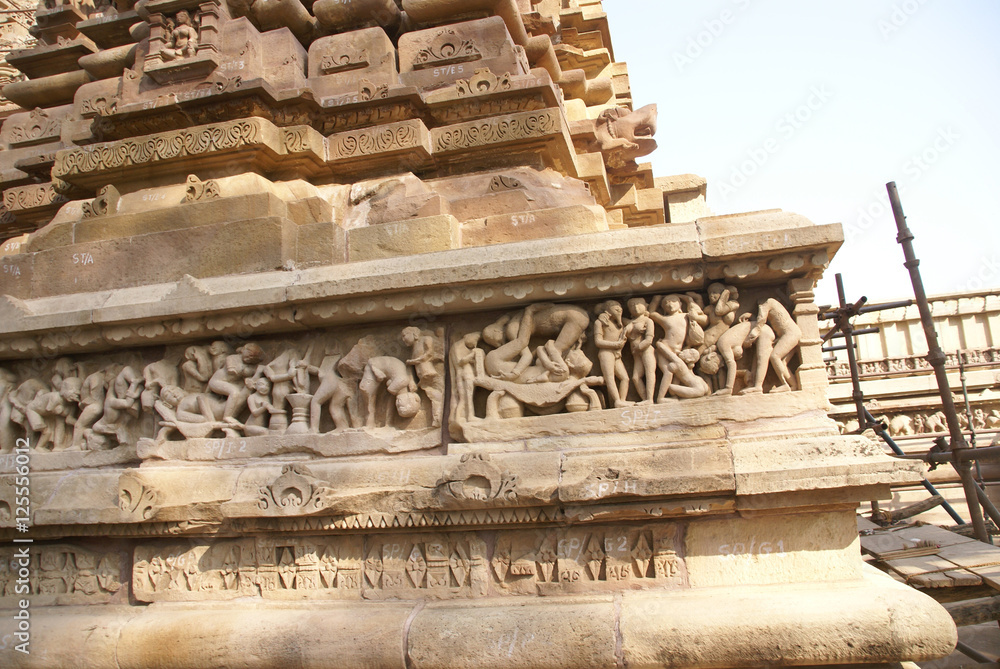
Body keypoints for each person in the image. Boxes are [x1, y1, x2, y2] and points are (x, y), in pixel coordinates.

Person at [593, 300, 630, 408]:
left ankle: (622, 400)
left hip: (616, 353)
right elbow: (598, 341)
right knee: (609, 378)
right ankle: (617, 401)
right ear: (607, 309)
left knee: (625, 378)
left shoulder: (619, 323)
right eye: (615, 308)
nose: (619, 310)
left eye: (620, 308)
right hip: (606, 353)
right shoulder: (600, 322)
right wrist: (615, 345)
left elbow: (634, 322)